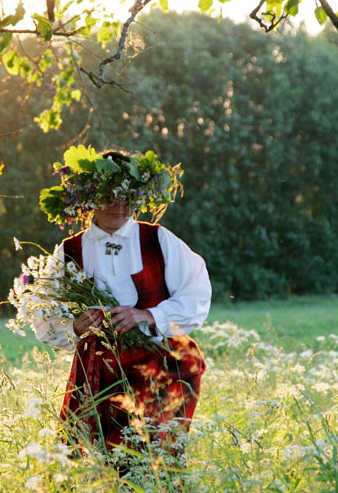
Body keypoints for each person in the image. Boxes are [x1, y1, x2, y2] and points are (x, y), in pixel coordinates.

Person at [34, 148, 211, 455]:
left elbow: (196, 293)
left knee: (151, 459)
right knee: (97, 462)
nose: (118, 206)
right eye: (108, 197)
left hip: (156, 366)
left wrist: (148, 316)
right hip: (97, 373)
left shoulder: (158, 240)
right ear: (90, 197)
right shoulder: (70, 250)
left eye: (127, 197)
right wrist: (74, 326)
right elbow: (42, 315)